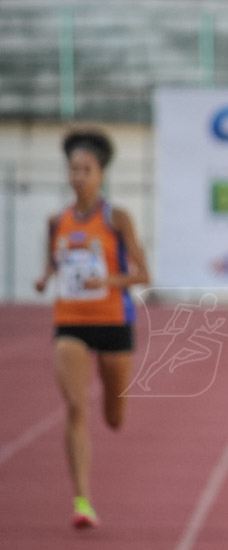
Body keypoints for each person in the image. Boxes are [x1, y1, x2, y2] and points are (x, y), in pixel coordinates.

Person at [34, 129, 150, 529]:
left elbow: (143, 274)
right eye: (73, 169)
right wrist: (44, 277)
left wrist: (108, 282)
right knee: (74, 406)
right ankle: (82, 500)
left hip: (114, 321)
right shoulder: (57, 222)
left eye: (87, 169)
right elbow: (55, 262)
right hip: (70, 321)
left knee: (114, 417)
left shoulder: (117, 219)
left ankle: (113, 410)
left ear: (101, 174)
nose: (79, 175)